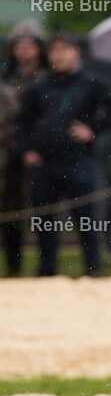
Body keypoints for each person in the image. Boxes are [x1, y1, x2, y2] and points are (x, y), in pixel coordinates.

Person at [16, 33, 111, 277]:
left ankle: (93, 270)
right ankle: (47, 272)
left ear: (76, 52)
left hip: (78, 160)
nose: (58, 54)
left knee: (86, 219)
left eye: (64, 49)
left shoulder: (91, 82)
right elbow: (23, 122)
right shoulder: (39, 86)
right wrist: (27, 150)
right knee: (45, 222)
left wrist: (93, 128)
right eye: (54, 50)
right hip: (44, 163)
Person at [0, 20, 47, 277]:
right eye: (19, 44)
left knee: (43, 213)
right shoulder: (5, 80)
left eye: (30, 44)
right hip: (9, 157)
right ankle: (14, 269)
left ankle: (47, 268)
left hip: (41, 155)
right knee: (11, 213)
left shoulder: (49, 80)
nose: (24, 49)